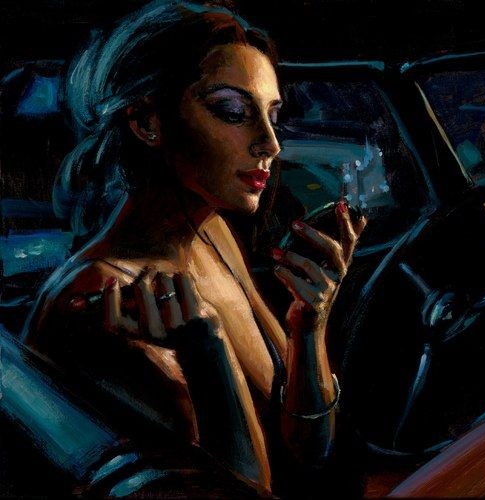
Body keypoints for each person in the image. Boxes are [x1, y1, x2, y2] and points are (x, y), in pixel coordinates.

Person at [21, 1, 366, 496]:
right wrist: (209, 354)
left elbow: (309, 448)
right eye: (233, 112)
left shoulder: (210, 233)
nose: (270, 144)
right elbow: (238, 492)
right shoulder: (101, 298)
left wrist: (308, 326)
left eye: (272, 115)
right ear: (148, 122)